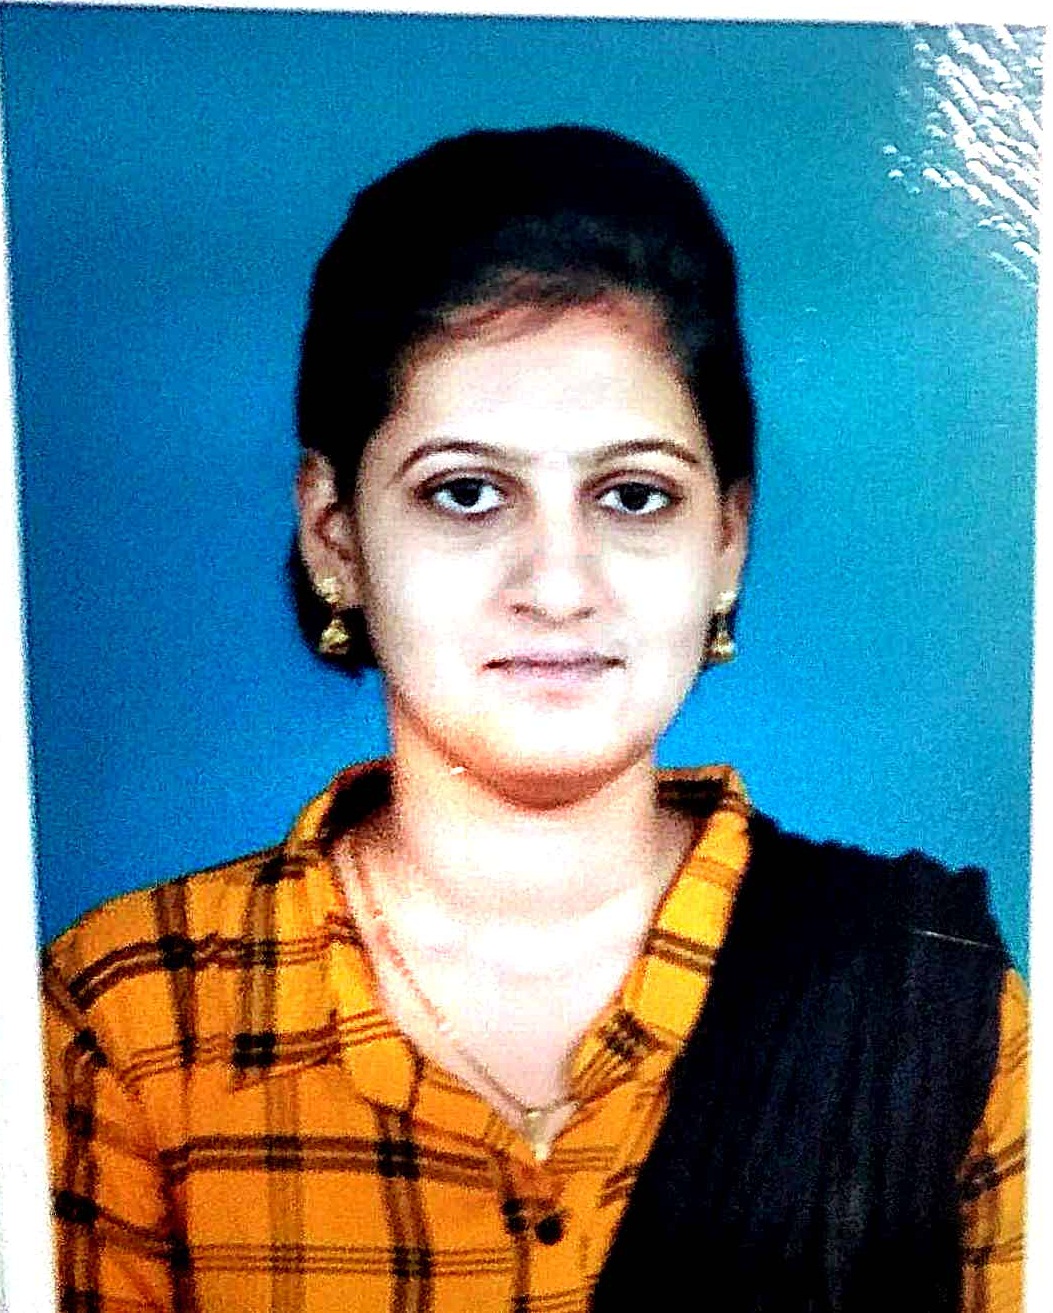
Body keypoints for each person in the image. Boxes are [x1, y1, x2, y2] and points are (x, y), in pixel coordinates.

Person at [41, 126, 1026, 1313]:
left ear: (726, 541)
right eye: (466, 492)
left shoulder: (929, 1000)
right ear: (334, 533)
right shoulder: (136, 1013)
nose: (558, 586)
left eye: (634, 495)